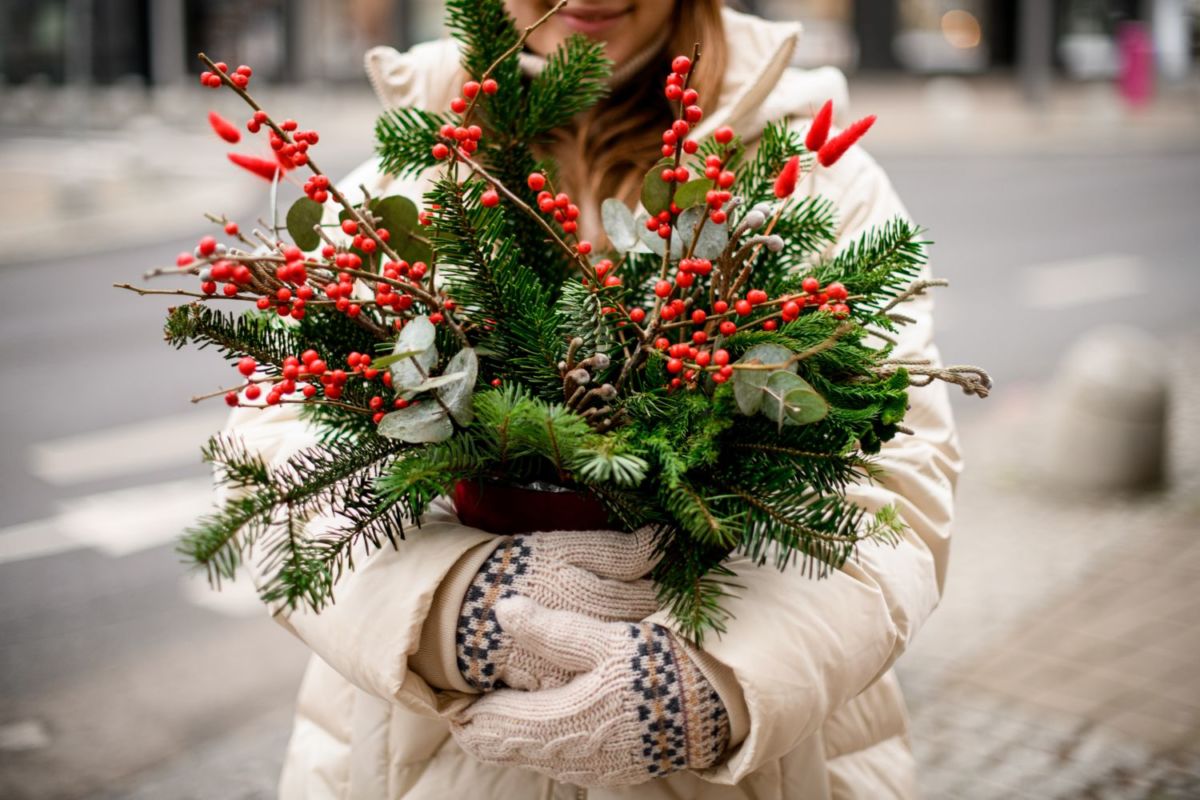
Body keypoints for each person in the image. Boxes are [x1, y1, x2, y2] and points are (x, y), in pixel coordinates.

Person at [218, 1, 963, 797]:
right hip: (423, 765)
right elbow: (274, 455)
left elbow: (897, 484)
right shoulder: (399, 185)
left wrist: (727, 680)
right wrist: (447, 610)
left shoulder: (817, 179)